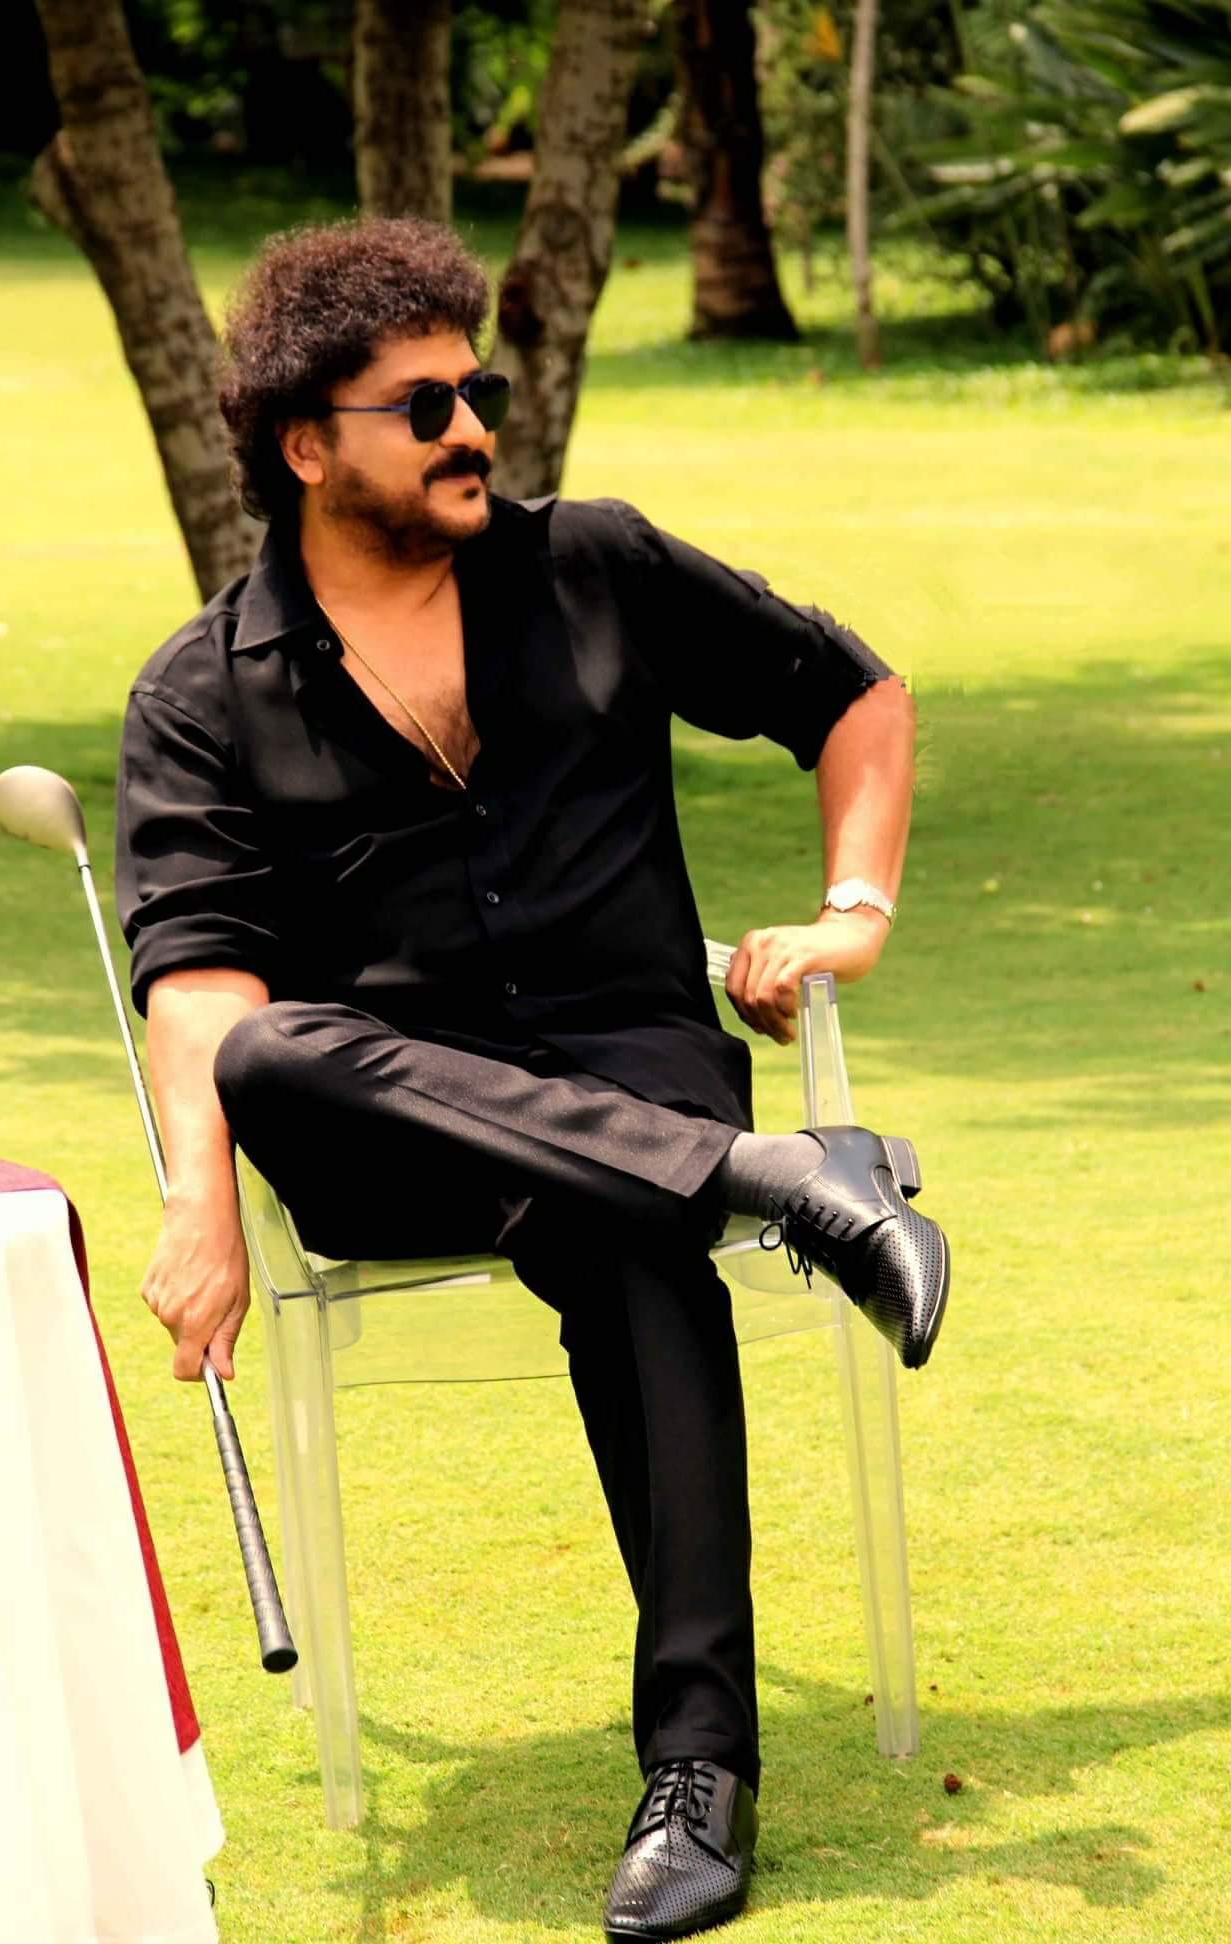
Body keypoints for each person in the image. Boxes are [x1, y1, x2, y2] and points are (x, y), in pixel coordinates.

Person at [115, 215, 949, 1943]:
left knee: (628, 1224)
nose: (473, 428)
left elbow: (854, 697)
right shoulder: (202, 691)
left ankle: (699, 1775)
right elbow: (199, 982)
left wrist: (851, 917)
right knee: (277, 1046)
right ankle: (783, 1181)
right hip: (393, 1124)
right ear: (306, 446)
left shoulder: (597, 567)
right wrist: (199, 1201)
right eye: (423, 406)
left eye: (477, 389)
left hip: (629, 1078)